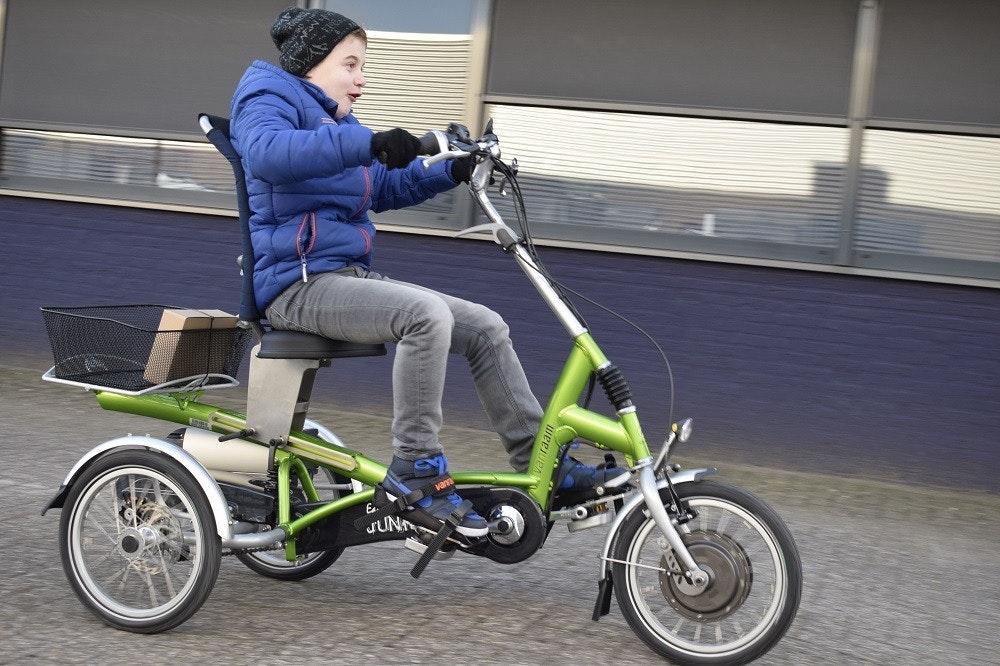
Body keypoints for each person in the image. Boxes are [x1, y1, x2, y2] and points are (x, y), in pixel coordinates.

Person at [230, 6, 629, 537]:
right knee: (425, 317)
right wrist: (370, 142)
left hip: (342, 278)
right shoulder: (266, 98)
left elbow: (386, 186)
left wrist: (450, 168)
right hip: (295, 284)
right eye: (350, 64)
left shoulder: (338, 124)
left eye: (361, 66)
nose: (361, 78)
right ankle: (415, 467)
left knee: (486, 327)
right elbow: (268, 154)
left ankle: (545, 465)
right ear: (311, 62)